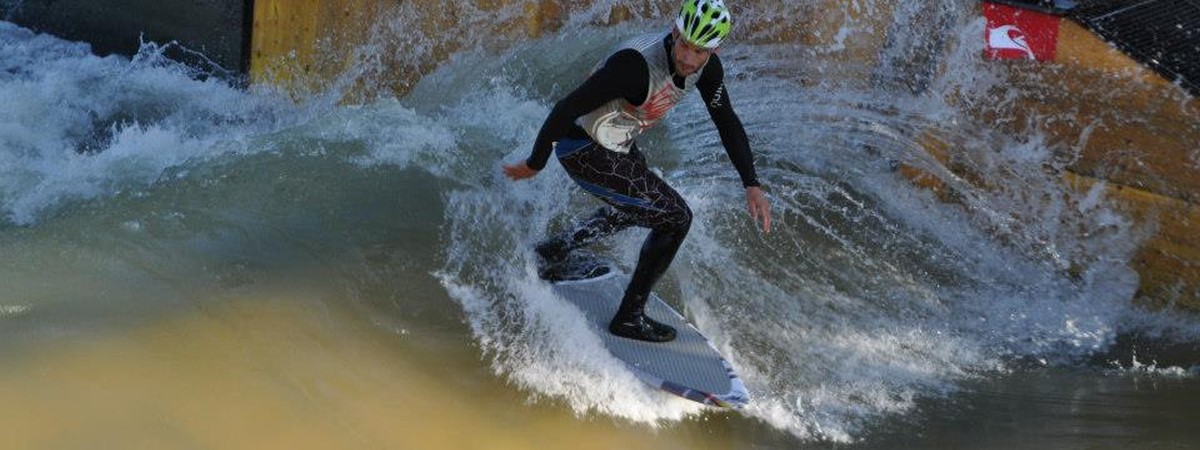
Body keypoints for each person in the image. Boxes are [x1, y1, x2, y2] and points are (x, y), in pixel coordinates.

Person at [502, 0, 770, 343]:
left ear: (713, 51)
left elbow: (726, 121)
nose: (688, 58)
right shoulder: (635, 67)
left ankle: (554, 250)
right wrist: (535, 163)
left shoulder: (707, 69)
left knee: (640, 208)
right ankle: (628, 318)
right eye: (685, 44)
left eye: (700, 51)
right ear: (675, 31)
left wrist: (751, 183)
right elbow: (565, 108)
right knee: (675, 218)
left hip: (616, 142)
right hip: (584, 147)